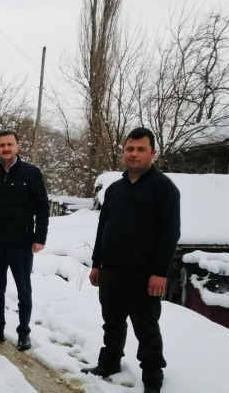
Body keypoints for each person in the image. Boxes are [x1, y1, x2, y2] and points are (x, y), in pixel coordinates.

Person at [82, 127, 181, 393]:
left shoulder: (164, 189)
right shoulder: (114, 189)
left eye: (140, 149)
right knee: (112, 322)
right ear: (124, 151)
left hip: (144, 275)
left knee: (146, 329)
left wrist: (160, 272)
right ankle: (110, 362)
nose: (134, 154)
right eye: (129, 149)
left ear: (153, 153)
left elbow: (170, 233)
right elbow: (103, 228)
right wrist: (96, 264)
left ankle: (152, 378)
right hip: (112, 271)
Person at [0, 130, 49, 351]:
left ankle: (24, 333)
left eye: (9, 144)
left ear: (17, 146)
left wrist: (39, 238)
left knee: (23, 290)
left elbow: (42, 209)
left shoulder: (31, 173)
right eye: (1, 145)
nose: (5, 149)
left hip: (22, 245)